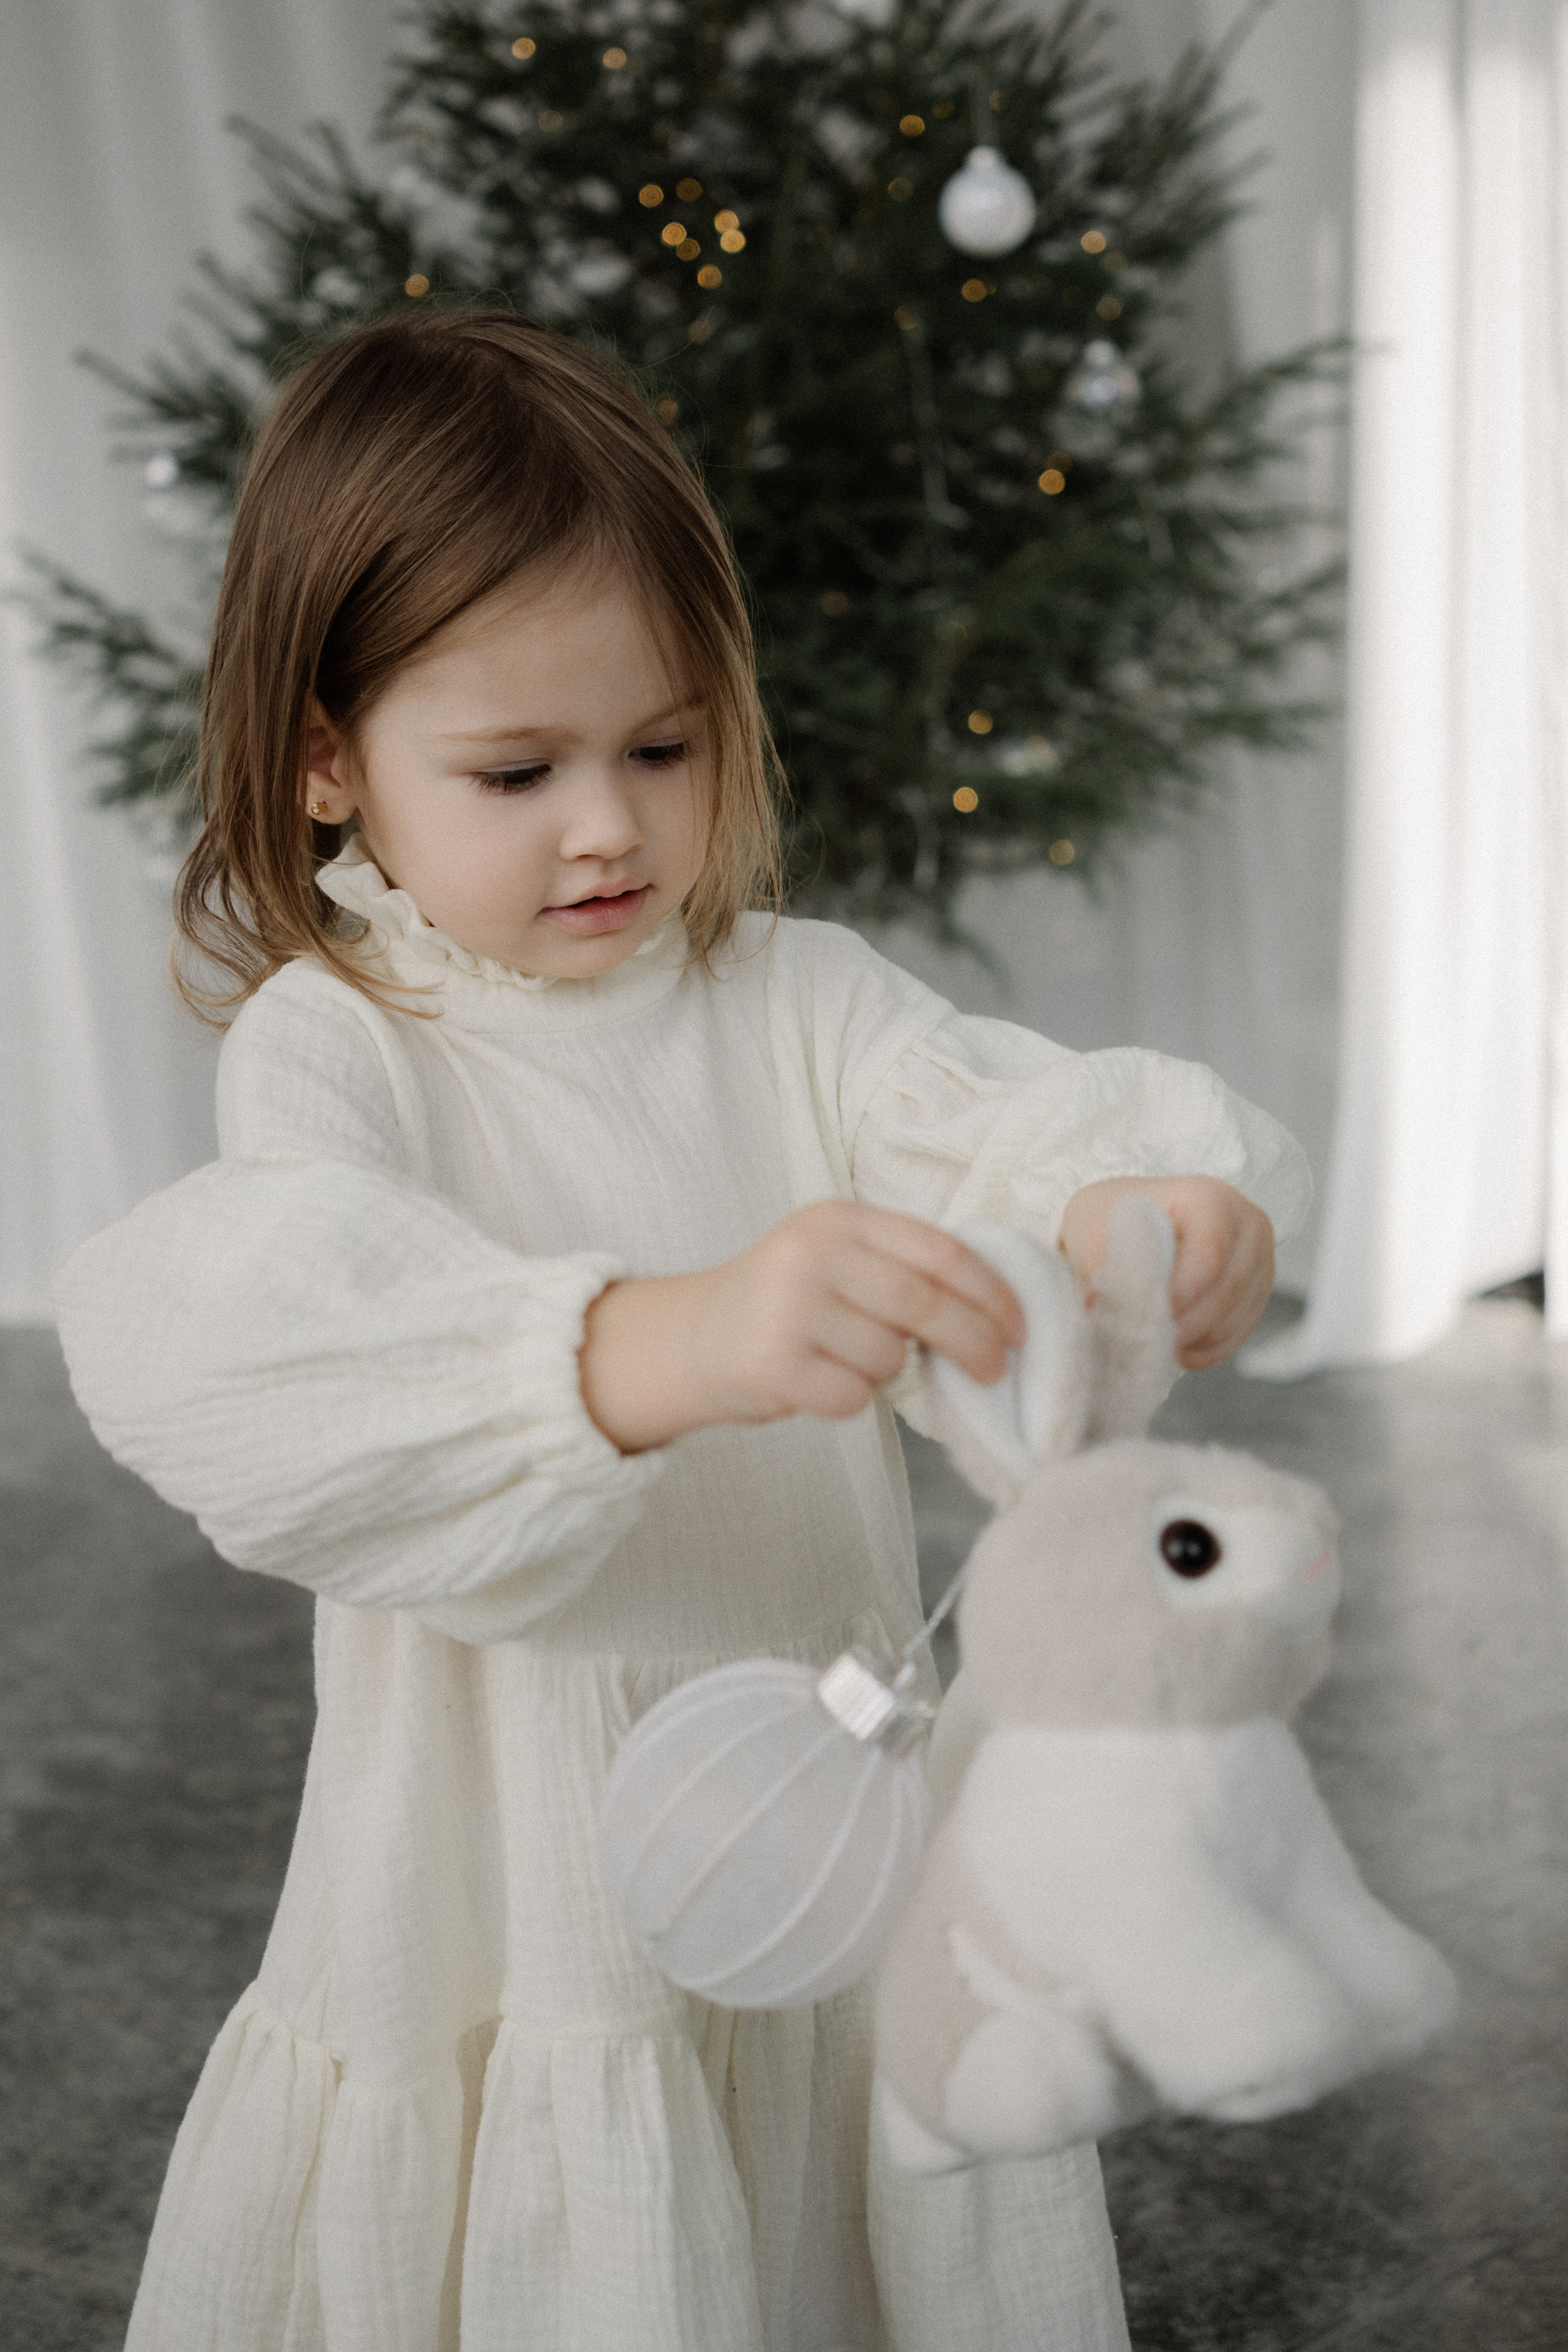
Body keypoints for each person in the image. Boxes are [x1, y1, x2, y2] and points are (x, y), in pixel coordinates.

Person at [54, 310, 1308, 2352]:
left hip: (826, 1820)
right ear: (326, 760)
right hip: (515, 1875)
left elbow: (1004, 1140)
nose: (611, 829)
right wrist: (661, 1346)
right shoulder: (344, 1047)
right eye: (517, 771)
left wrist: (1134, 1214)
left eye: (664, 747)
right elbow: (258, 1349)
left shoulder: (799, 1003)